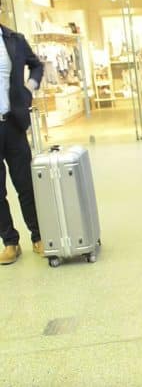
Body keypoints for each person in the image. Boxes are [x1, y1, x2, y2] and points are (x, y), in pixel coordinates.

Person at [0, 15, 44, 265]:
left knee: (25, 184)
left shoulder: (14, 40)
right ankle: (9, 242)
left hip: (13, 123)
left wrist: (29, 87)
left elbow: (36, 65)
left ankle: (38, 235)